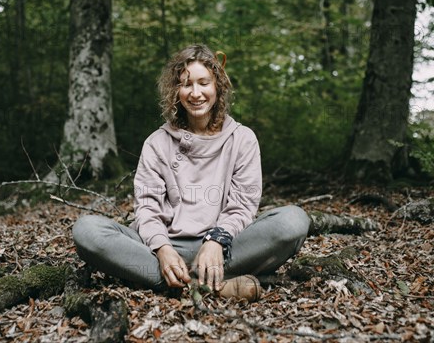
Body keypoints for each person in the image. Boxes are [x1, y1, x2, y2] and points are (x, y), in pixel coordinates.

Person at [72, 44, 310, 299]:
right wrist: (162, 249)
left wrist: (216, 240)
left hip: (228, 248)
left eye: (203, 83)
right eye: (186, 84)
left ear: (217, 86)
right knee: (87, 230)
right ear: (176, 91)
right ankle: (203, 284)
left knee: (293, 220)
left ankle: (179, 282)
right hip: (162, 249)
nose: (196, 93)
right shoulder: (156, 143)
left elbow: (243, 205)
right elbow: (148, 209)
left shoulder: (243, 139)